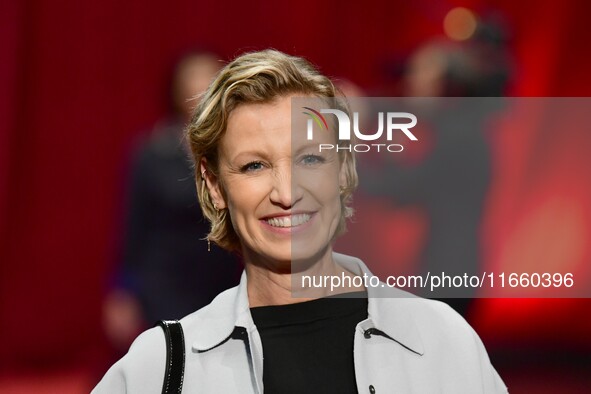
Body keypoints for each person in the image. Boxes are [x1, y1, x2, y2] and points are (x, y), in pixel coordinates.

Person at [93, 49, 507, 393]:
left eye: (310, 158)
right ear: (214, 185)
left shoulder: (444, 344)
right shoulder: (161, 369)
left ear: (344, 169)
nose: (287, 193)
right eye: (255, 165)